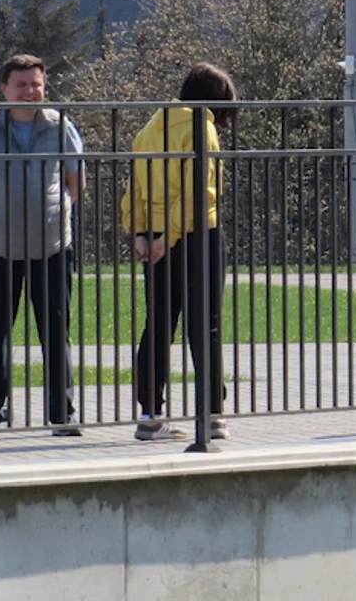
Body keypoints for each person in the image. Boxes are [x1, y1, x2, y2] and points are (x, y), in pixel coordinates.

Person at [0, 54, 84, 436]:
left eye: (36, 84)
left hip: (52, 247)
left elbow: (76, 181)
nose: (30, 92)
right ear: (4, 89)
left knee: (56, 332)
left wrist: (56, 214)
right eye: (22, 85)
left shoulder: (61, 125)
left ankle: (63, 414)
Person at [122, 62, 237, 441]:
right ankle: (211, 414)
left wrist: (141, 233)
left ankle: (150, 414)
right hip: (196, 234)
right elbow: (199, 192)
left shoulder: (150, 128)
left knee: (157, 324)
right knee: (205, 324)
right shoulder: (201, 128)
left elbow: (135, 188)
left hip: (154, 235)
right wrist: (169, 236)